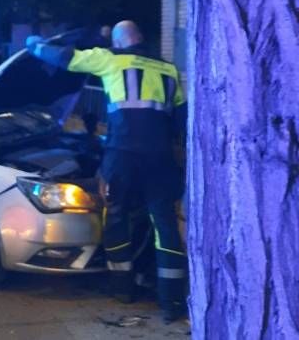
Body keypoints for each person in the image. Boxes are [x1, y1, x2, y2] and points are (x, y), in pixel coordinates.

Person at [27, 21, 187, 323]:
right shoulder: (170, 71)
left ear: (118, 41)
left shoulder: (110, 58)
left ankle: (122, 288)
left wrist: (34, 45)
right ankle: (172, 300)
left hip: (121, 155)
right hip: (160, 158)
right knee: (164, 223)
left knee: (115, 215)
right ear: (140, 38)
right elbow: (182, 121)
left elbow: (66, 59)